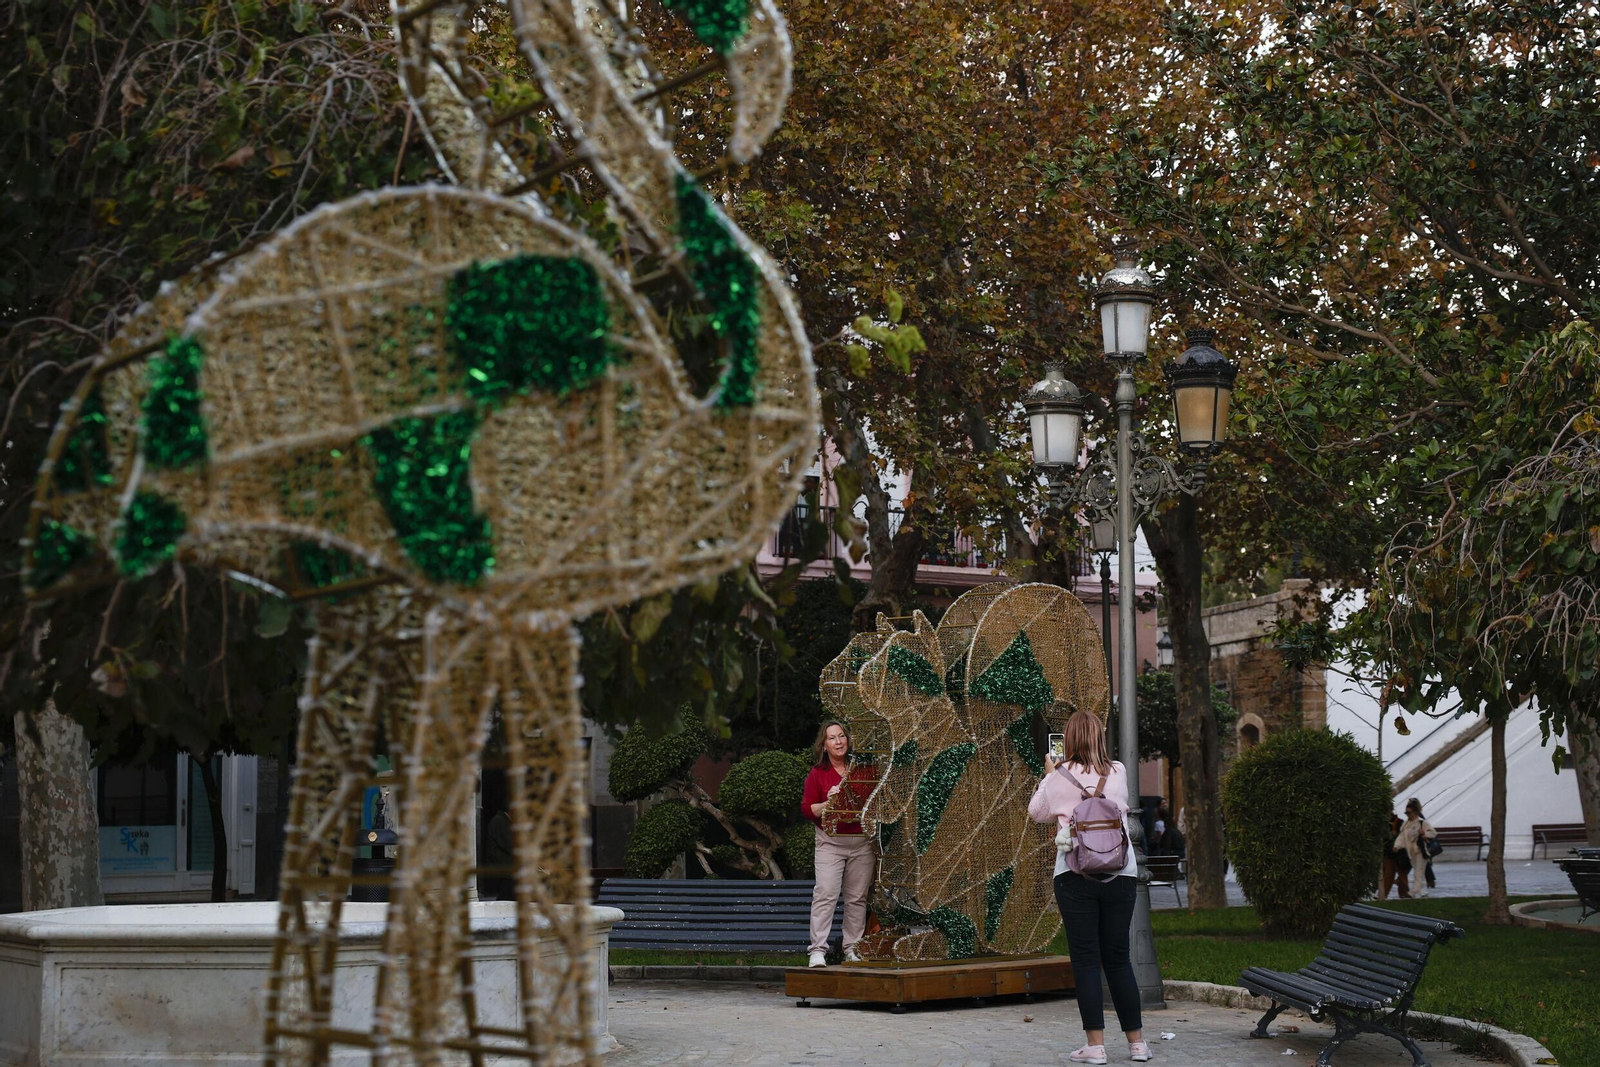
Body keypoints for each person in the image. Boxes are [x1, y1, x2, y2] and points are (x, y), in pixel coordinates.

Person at [1028, 709, 1150, 1064]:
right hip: (1121, 872)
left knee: (1085, 959)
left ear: (1067, 740)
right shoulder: (1118, 771)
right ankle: (1137, 1044)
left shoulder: (1059, 776)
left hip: (1073, 873)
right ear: (1099, 737)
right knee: (1118, 959)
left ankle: (1095, 1047)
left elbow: (1036, 812)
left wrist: (1049, 776)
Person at [799, 721, 875, 968]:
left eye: (842, 736)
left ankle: (852, 949)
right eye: (832, 738)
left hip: (862, 842)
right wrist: (828, 803)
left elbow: (876, 802)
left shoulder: (862, 770)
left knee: (856, 899)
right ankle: (817, 951)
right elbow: (808, 810)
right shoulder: (817, 773)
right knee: (825, 894)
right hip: (831, 842)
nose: (839, 741)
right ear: (824, 745)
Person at [1395, 797, 1438, 897]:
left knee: (1418, 872)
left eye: (1409, 813)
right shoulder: (1406, 824)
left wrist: (1424, 834)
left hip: (1421, 850)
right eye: (1406, 813)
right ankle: (1423, 892)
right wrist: (1397, 846)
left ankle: (1413, 892)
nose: (1407, 815)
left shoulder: (1422, 822)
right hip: (1411, 851)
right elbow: (1402, 836)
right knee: (1419, 872)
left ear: (1415, 812)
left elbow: (1433, 833)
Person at [1378, 812, 1411, 900]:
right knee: (1388, 876)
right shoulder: (1384, 824)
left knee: (1402, 875)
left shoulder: (1399, 822)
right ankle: (1383, 894)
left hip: (1399, 854)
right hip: (1388, 854)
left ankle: (1404, 893)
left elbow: (1404, 836)